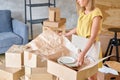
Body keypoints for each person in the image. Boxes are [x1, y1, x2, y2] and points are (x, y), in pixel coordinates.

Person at [65, 0, 103, 80]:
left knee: (91, 76)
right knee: (82, 73)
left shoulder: (96, 13)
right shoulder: (82, 12)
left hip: (91, 49)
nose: (77, 1)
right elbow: (78, 28)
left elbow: (92, 37)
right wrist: (66, 34)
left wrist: (83, 54)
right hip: (81, 46)